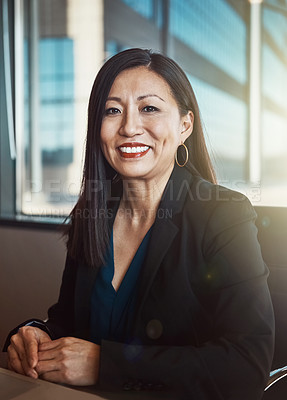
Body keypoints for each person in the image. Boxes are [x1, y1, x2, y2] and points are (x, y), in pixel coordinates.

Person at [4, 48, 274, 399]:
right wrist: (34, 333)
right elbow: (68, 323)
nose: (129, 127)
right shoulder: (93, 212)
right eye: (112, 110)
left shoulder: (224, 215)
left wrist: (106, 365)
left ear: (184, 125)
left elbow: (246, 365)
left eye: (149, 108)